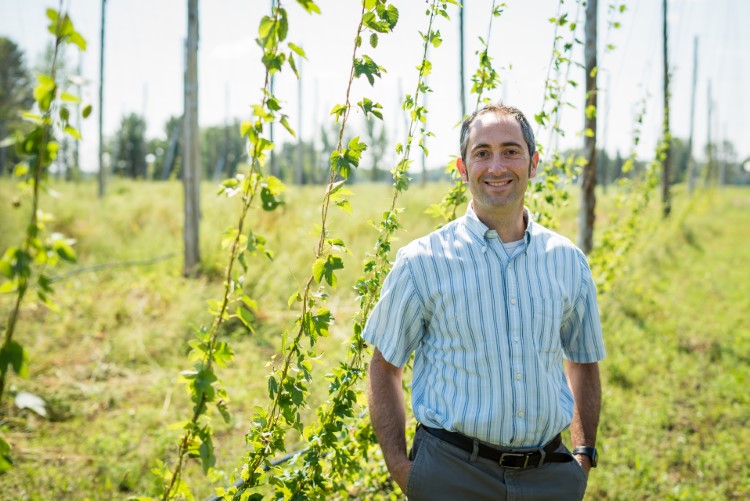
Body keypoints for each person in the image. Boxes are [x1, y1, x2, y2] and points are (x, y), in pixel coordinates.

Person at [363, 103, 606, 500]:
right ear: (463, 168)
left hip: (549, 478)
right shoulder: (422, 262)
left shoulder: (567, 261)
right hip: (451, 476)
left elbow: (582, 361)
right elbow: (384, 366)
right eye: (482, 153)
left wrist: (581, 457)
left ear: (533, 164)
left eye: (511, 151)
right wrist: (401, 467)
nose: (496, 166)